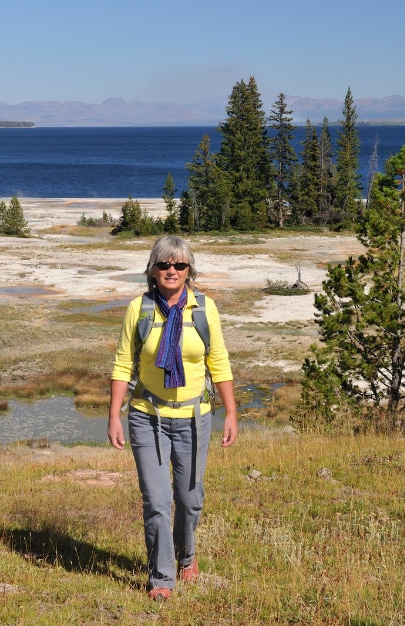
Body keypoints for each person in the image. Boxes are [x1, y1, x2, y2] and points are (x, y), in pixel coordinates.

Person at [108, 235, 238, 601]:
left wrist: (231, 412)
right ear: (152, 270)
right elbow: (122, 363)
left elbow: (219, 362)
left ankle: (188, 556)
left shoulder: (204, 309)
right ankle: (162, 578)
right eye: (164, 264)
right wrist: (114, 415)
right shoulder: (139, 308)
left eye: (179, 265)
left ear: (189, 271)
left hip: (195, 418)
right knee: (157, 500)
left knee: (190, 498)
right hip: (147, 416)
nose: (171, 270)